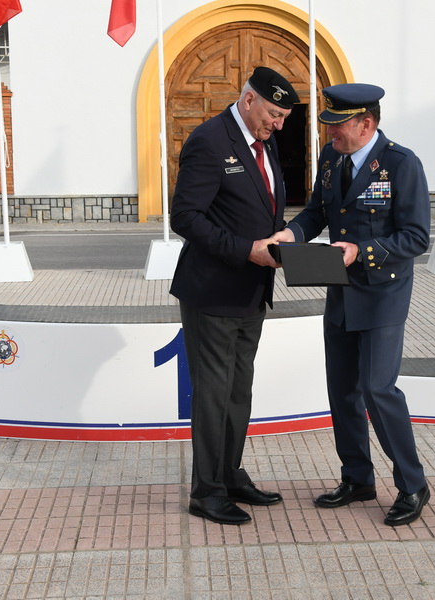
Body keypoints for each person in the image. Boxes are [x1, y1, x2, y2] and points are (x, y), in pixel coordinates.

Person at [271, 83, 431, 526]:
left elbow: (416, 237)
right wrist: (291, 234)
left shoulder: (401, 164)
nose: (330, 133)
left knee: (378, 389)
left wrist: (364, 251)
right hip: (341, 290)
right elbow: (316, 212)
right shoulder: (331, 158)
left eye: (338, 126)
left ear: (367, 124)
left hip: (382, 294)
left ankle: (413, 484)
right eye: (329, 125)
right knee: (342, 390)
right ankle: (357, 478)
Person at [169, 66, 300, 525]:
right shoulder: (209, 140)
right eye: (273, 114)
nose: (278, 125)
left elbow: (261, 206)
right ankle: (206, 492)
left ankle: (229, 473)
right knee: (212, 393)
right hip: (213, 290)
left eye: (283, 118)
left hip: (252, 291)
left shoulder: (265, 141)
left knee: (238, 392)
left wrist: (279, 240)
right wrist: (246, 250)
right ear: (248, 100)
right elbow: (185, 217)